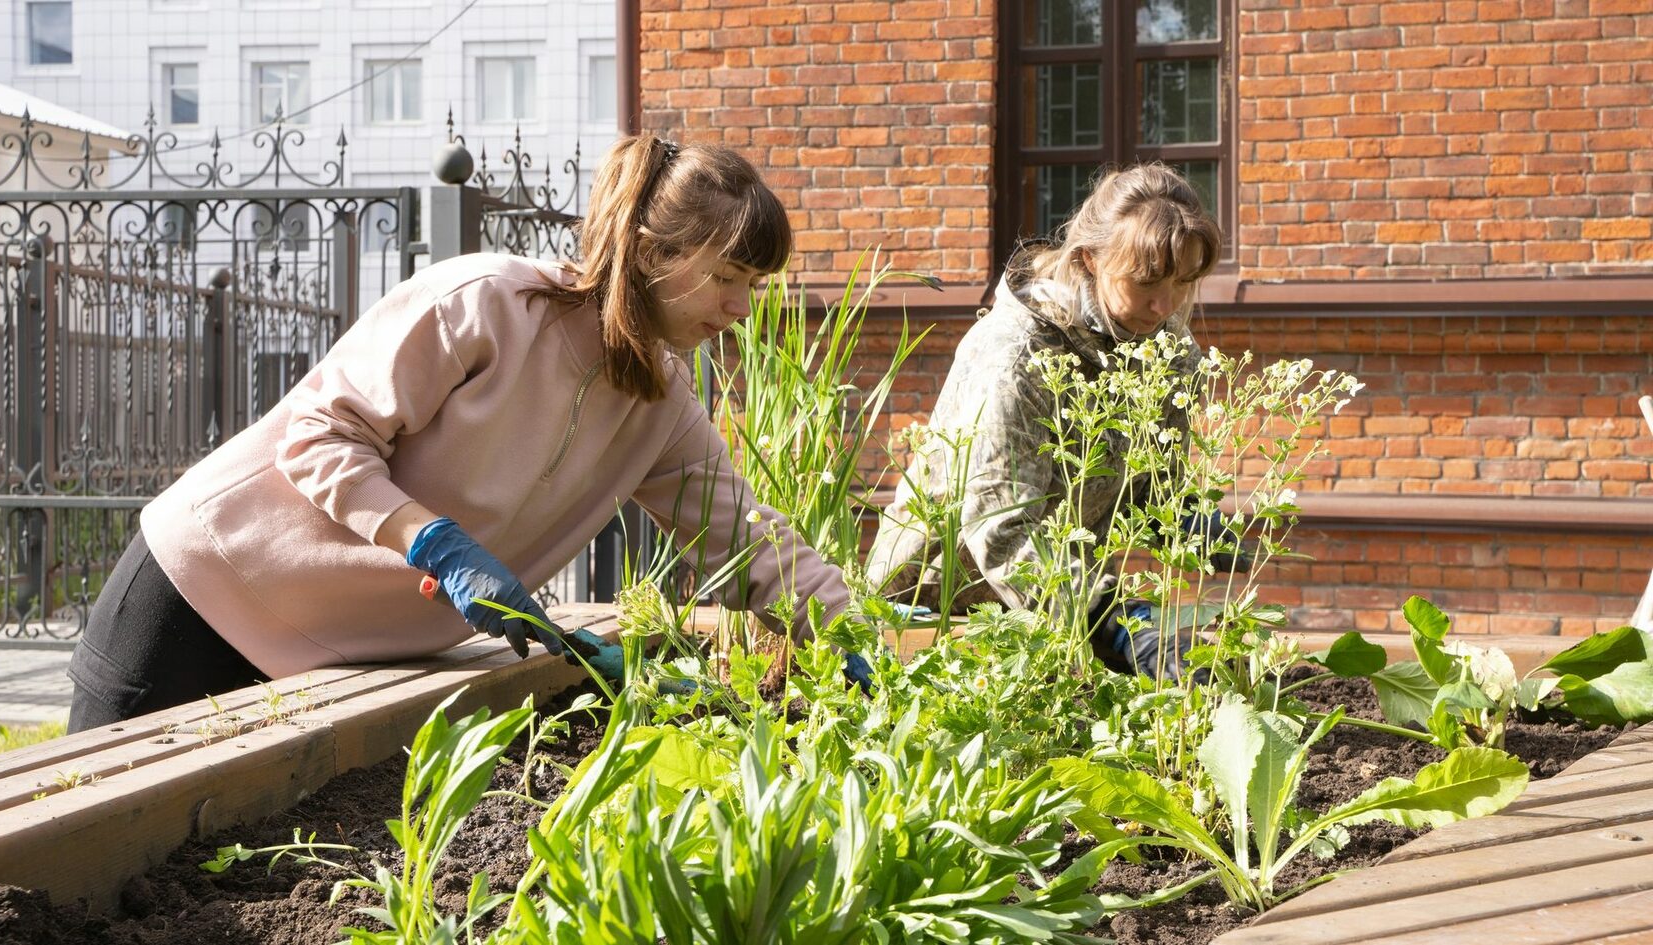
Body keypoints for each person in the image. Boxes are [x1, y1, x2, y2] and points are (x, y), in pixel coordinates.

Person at [66, 134, 868, 732]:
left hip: (334, 654)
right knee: (73, 867)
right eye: (727, 278)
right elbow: (315, 434)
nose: (741, 308)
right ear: (654, 253)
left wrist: (854, 644)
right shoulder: (487, 304)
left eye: (753, 286)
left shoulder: (661, 405)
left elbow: (748, 542)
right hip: (202, 592)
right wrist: (436, 545)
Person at [866, 163, 1235, 681]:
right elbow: (1002, 528)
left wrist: (1193, 524)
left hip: (1064, 608)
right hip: (940, 613)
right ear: (1088, 259)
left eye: (1184, 282)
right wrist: (1113, 625)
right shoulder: (1014, 357)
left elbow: (1147, 483)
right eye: (1147, 281)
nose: (1164, 304)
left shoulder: (1165, 352)